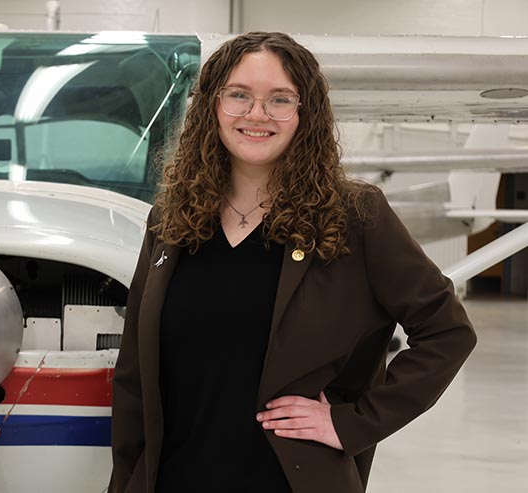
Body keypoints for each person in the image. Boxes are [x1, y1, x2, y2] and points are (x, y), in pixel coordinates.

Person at [109, 32, 476, 493]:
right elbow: (134, 379)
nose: (256, 114)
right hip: (175, 479)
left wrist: (352, 423)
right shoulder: (171, 221)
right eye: (238, 95)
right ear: (211, 106)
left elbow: (447, 331)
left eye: (280, 99)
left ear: (305, 114)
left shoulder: (355, 217)